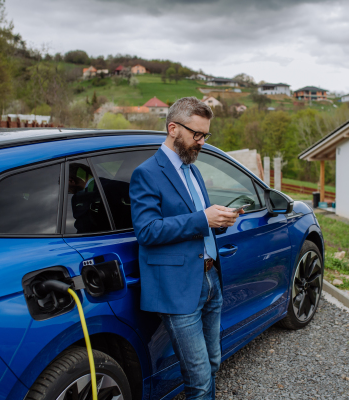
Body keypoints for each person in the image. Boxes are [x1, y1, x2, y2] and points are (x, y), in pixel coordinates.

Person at [130, 97, 241, 399]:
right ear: (173, 128)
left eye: (206, 135)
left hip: (210, 280)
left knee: (214, 362)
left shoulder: (192, 169)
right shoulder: (147, 173)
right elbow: (147, 231)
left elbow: (197, 221)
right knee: (200, 379)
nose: (202, 142)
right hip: (178, 289)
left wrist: (218, 221)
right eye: (197, 134)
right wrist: (203, 218)